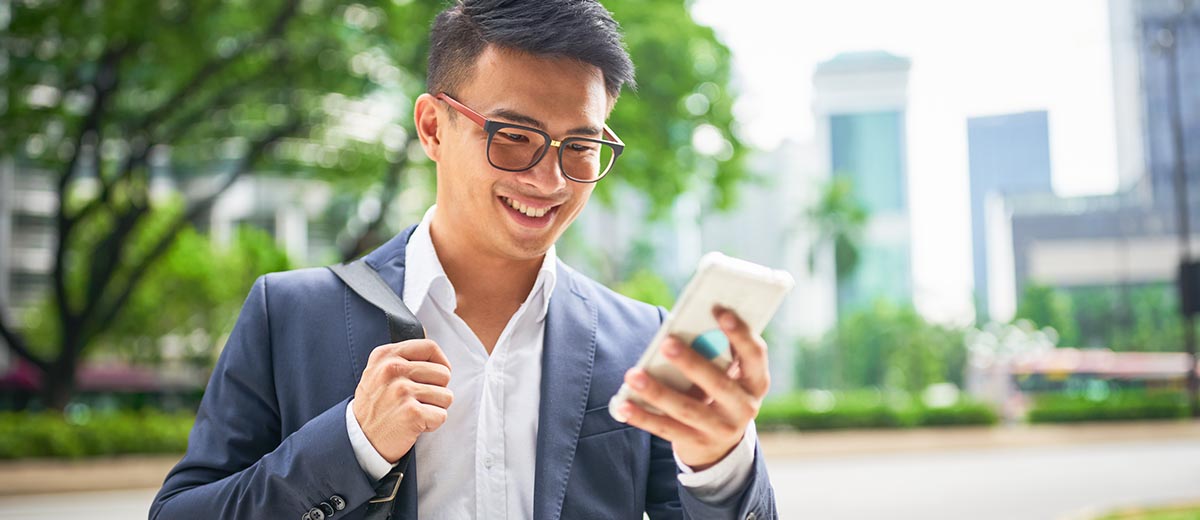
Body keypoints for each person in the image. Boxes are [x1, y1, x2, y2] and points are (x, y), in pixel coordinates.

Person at [150, 1, 778, 518]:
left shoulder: (640, 340)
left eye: (580, 146)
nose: (550, 179)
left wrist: (720, 462)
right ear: (432, 128)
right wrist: (352, 445)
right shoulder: (288, 314)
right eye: (513, 137)